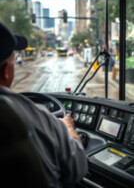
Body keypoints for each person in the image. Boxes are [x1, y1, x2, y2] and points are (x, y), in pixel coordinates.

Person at [0, 23, 88, 188]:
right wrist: (68, 129)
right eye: (13, 60)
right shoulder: (33, 115)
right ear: (6, 71)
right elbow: (79, 168)